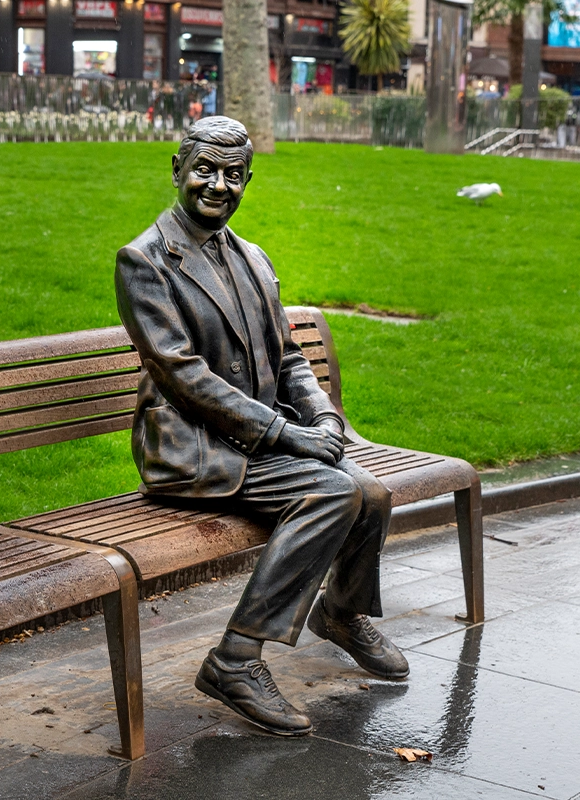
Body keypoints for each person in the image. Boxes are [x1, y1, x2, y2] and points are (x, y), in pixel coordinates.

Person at [115, 116, 405, 737]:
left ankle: (340, 612)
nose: (217, 185)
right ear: (177, 170)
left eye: (233, 174)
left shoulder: (252, 256)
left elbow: (288, 357)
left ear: (248, 181)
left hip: (257, 440)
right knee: (333, 492)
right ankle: (235, 660)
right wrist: (286, 434)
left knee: (373, 493)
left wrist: (323, 414)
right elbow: (183, 377)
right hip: (194, 450)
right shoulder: (144, 261)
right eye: (204, 170)